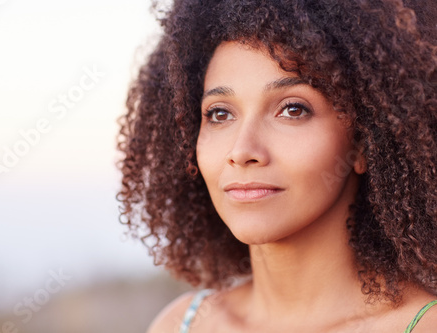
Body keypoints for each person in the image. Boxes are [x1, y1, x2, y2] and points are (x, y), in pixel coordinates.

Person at [117, 0, 437, 332]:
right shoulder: (182, 324)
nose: (242, 151)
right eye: (220, 114)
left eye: (293, 110)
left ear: (363, 141)